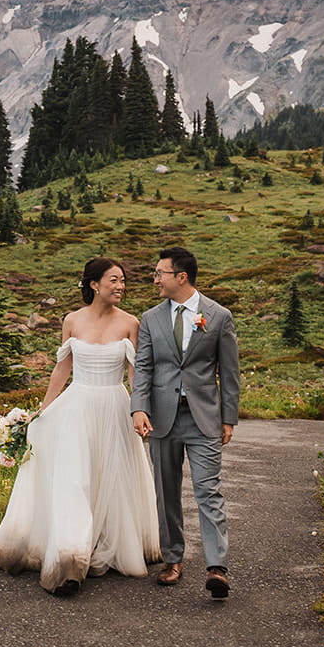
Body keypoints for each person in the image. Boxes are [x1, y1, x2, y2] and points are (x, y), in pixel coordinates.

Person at [0, 257, 161, 594]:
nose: (121, 286)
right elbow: (62, 370)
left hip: (114, 406)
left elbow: (137, 376)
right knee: (74, 481)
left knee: (112, 480)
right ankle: (70, 561)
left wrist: (140, 410)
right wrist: (43, 410)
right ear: (94, 284)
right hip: (77, 407)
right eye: (114, 280)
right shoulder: (72, 320)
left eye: (123, 280)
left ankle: (108, 543)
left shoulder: (130, 323)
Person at [130, 246, 240, 600]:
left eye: (160, 273)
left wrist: (228, 417)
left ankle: (217, 568)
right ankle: (172, 559)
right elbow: (144, 367)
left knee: (208, 490)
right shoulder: (150, 318)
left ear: (182, 276)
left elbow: (230, 372)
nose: (155, 279)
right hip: (161, 418)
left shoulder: (218, 316)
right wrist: (139, 408)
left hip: (204, 418)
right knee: (167, 492)